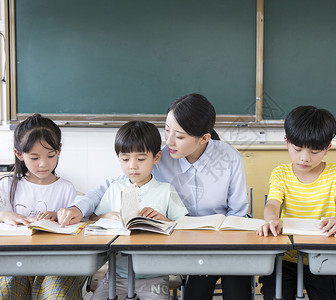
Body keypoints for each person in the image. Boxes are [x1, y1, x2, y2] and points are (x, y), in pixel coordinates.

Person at [64, 93, 251, 300]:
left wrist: (221, 250)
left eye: (179, 136)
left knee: (237, 288)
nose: (169, 141)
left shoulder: (229, 157)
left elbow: (238, 213)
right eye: (167, 130)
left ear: (204, 138)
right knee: (196, 292)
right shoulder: (159, 158)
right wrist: (78, 208)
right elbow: (112, 185)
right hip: (185, 242)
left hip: (223, 240)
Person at [257, 105, 336, 300]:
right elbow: (272, 204)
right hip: (285, 258)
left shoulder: (335, 174)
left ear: (327, 148)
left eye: (314, 151)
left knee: (329, 293)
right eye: (297, 149)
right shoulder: (281, 173)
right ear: (287, 142)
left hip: (323, 256)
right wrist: (272, 219)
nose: (304, 158)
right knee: (273, 292)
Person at [90, 120, 188, 300]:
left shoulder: (166, 190)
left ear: (156, 158)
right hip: (116, 274)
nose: (132, 166)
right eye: (125, 159)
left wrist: (164, 220)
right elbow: (94, 220)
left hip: (155, 276)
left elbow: (184, 226)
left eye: (141, 159)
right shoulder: (114, 188)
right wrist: (107, 216)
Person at [0, 114, 83, 299]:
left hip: (56, 263)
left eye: (50, 155)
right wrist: (6, 215)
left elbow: (76, 227)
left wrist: (59, 216)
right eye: (34, 157)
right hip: (13, 262)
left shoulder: (65, 188)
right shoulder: (7, 185)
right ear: (19, 154)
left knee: (57, 295)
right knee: (6, 291)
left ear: (59, 150)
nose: (44, 164)